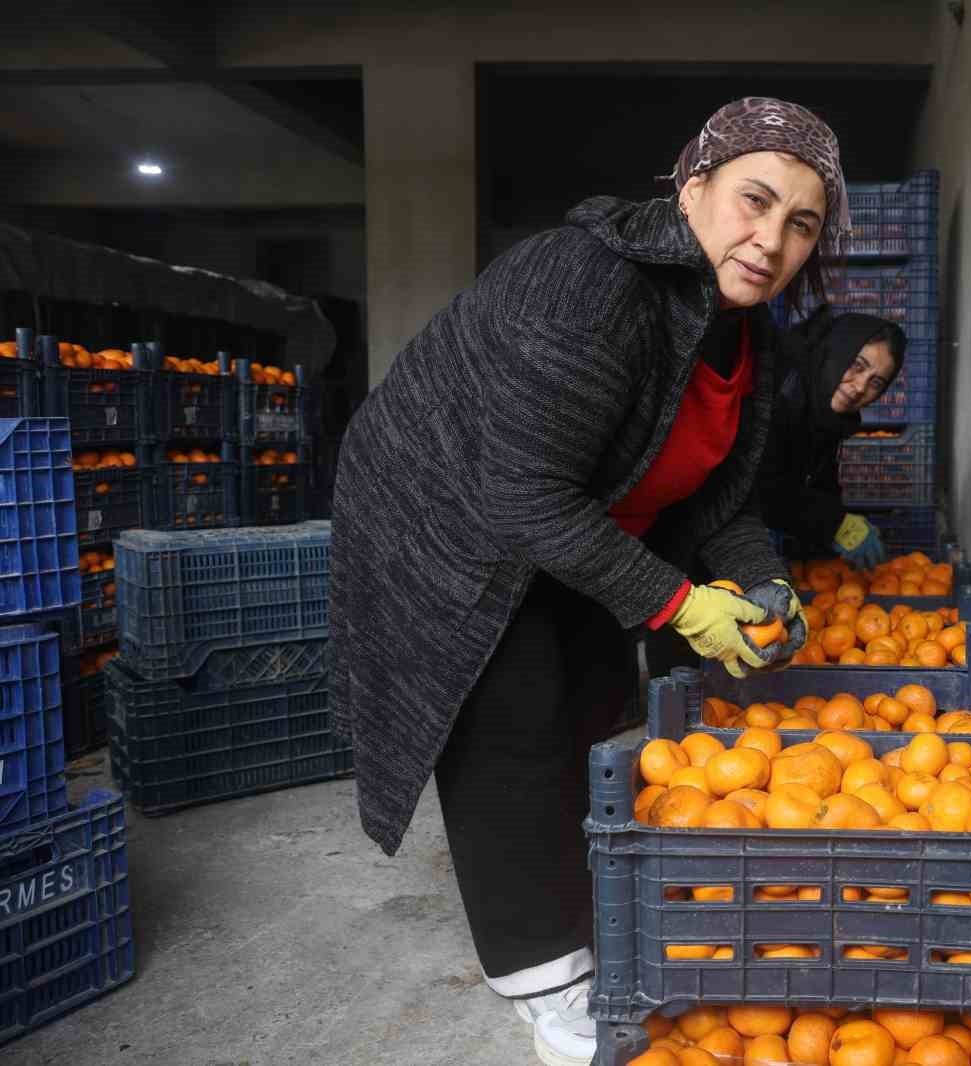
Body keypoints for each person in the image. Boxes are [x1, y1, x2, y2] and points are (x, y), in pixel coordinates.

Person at [328, 97, 850, 1066]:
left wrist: (761, 584)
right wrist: (679, 600)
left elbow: (721, 496)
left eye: (801, 223)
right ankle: (543, 982)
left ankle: (586, 900)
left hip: (571, 512)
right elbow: (519, 490)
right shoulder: (593, 279)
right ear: (693, 185)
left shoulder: (748, 331)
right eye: (754, 199)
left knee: (588, 700)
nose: (769, 237)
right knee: (509, 721)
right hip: (446, 510)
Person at [758, 305, 907, 568]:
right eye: (857, 365)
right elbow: (759, 487)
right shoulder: (781, 389)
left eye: (876, 383)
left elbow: (818, 475)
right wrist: (835, 524)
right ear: (836, 352)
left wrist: (839, 525)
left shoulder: (826, 414)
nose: (861, 387)